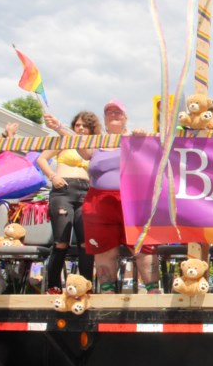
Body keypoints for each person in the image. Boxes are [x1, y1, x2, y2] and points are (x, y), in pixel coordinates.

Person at [46, 100, 157, 293]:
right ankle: (108, 294)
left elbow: (155, 154)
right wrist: (58, 127)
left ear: (125, 118)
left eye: (118, 112)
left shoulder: (134, 138)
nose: (114, 115)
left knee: (142, 249)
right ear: (104, 120)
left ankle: (155, 292)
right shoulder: (96, 143)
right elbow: (77, 141)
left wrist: (142, 137)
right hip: (99, 203)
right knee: (104, 251)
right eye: (109, 113)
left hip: (132, 202)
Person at [36, 111, 101, 292]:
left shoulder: (94, 146)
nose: (80, 128)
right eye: (77, 125)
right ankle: (54, 285)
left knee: (85, 241)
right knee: (61, 241)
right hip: (63, 190)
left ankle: (85, 285)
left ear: (91, 129)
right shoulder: (64, 140)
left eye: (84, 126)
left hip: (86, 192)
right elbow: (41, 158)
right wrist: (52, 176)